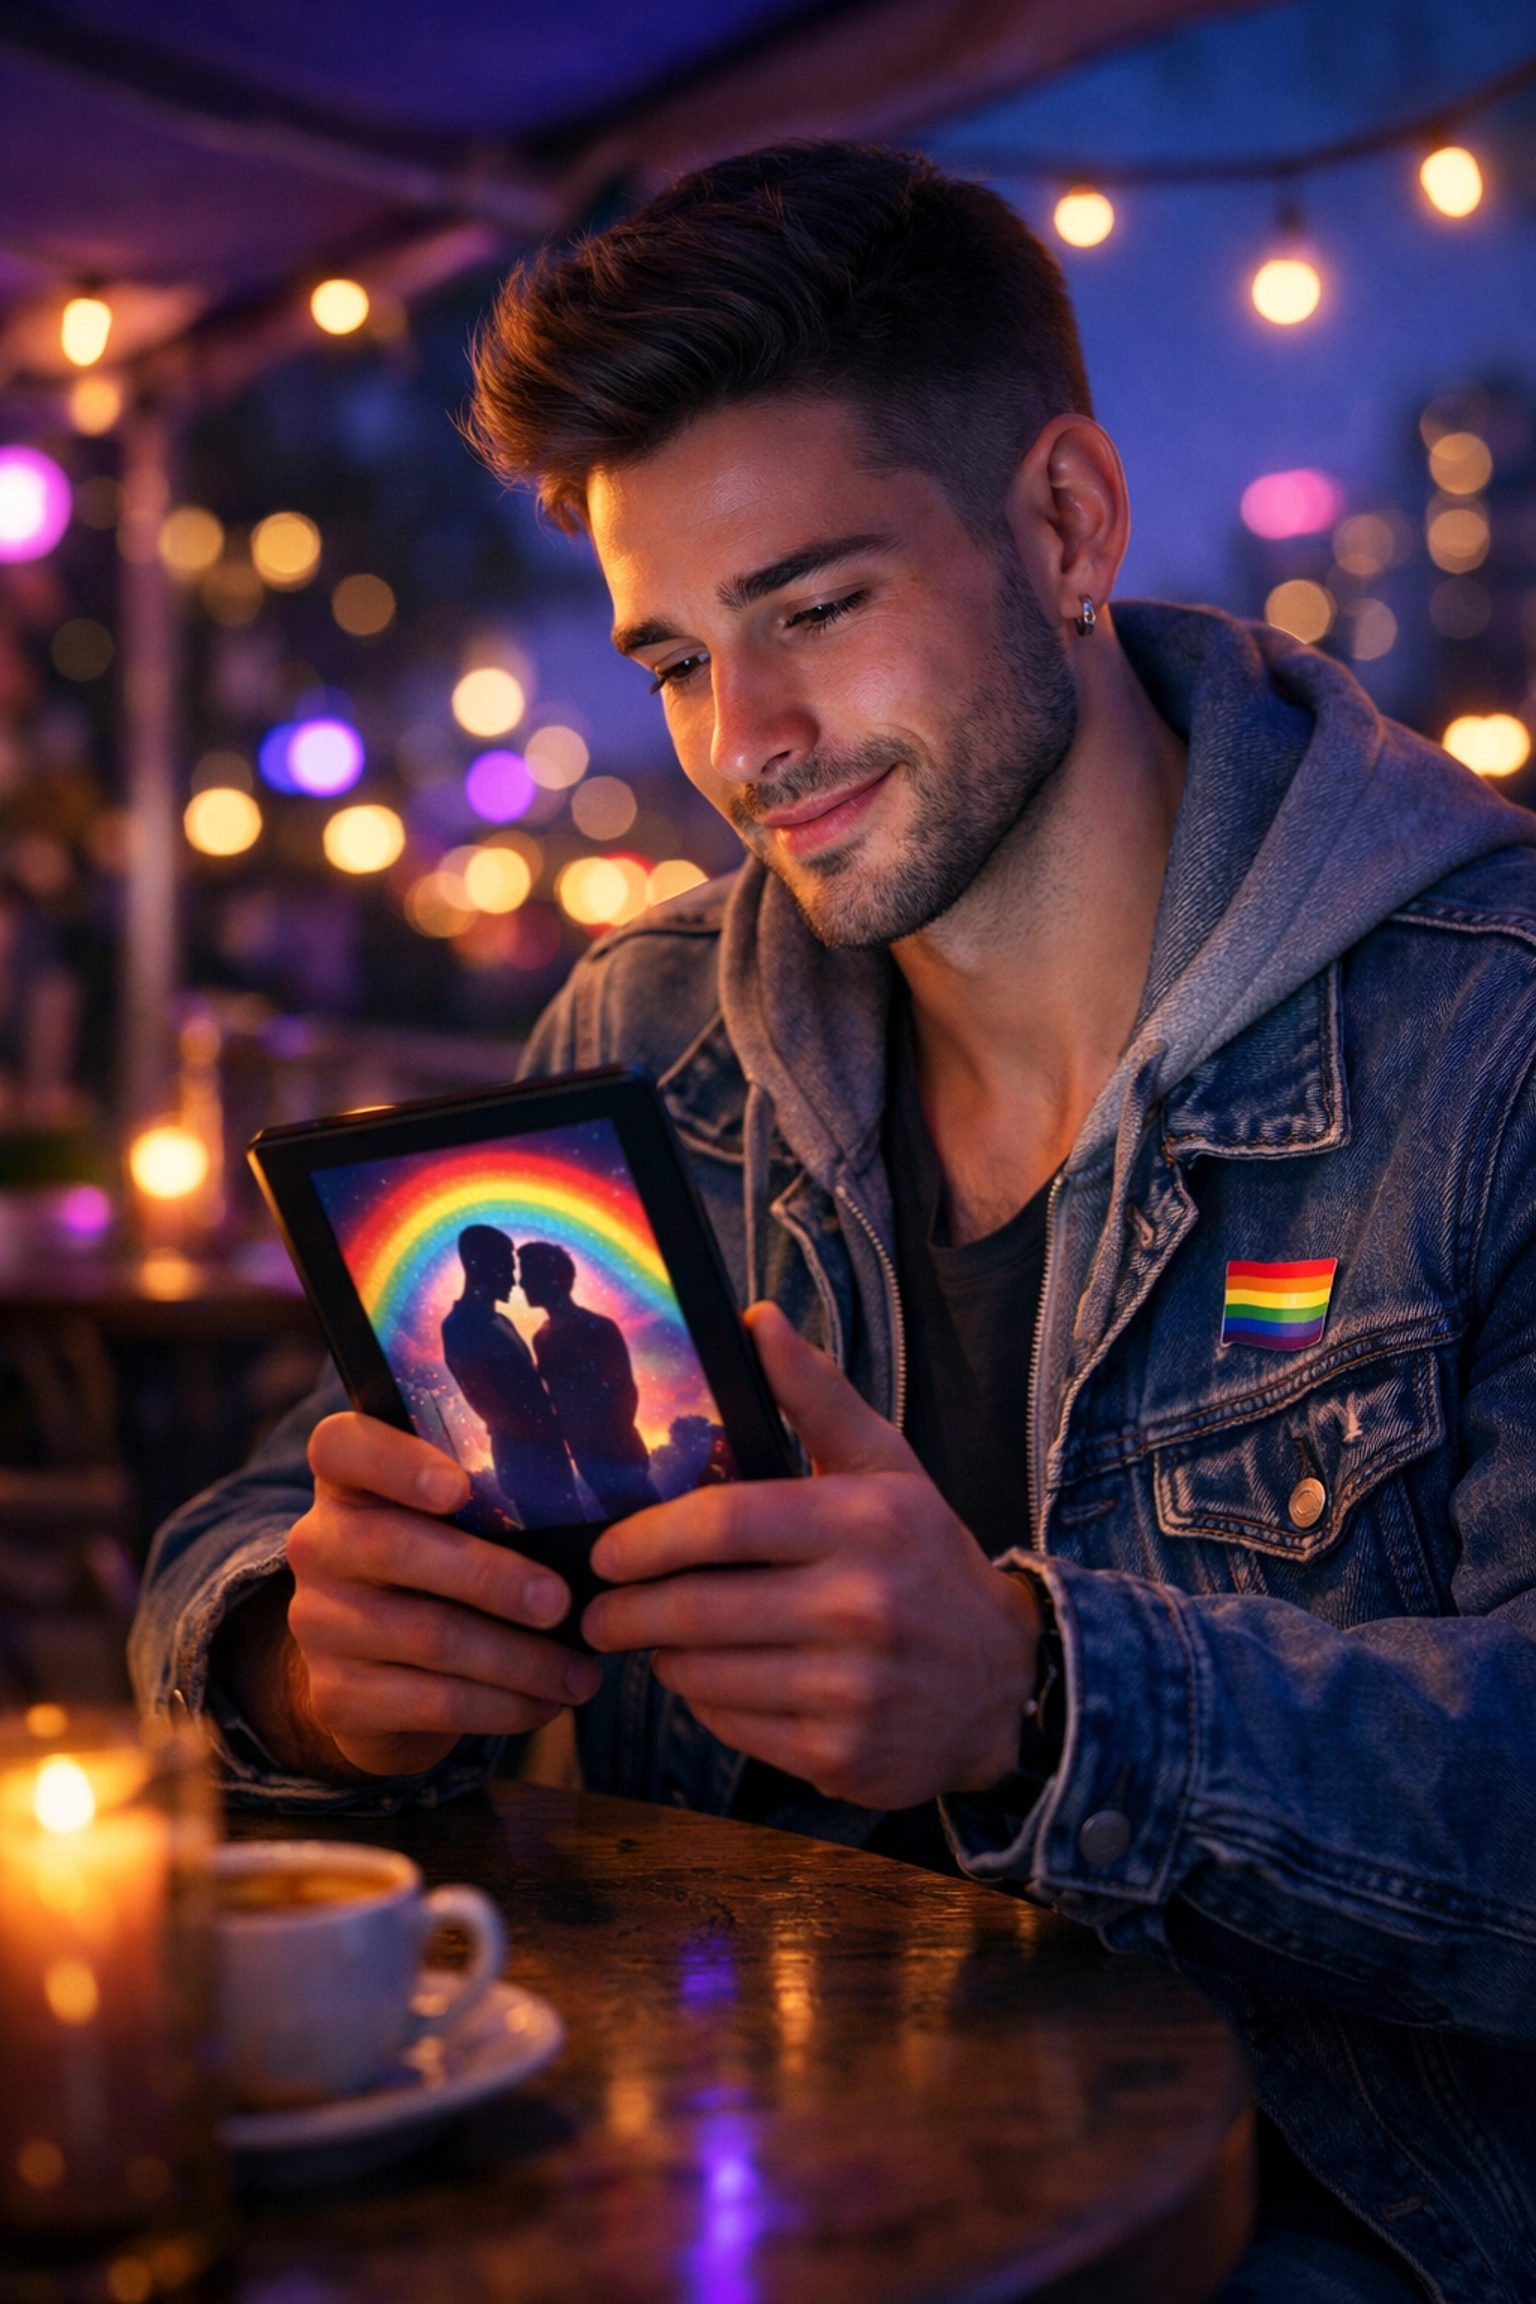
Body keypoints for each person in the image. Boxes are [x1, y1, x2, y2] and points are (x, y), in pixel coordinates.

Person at [131, 144, 1536, 2302]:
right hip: (713, 2191)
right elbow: (256, 1532)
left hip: (1320, 2239)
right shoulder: (652, 1025)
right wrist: (317, 1662)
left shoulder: (1492, 1029)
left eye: (814, 607)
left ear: (1064, 522)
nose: (749, 746)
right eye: (680, 658)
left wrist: (1035, 1705)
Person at [439, 1225, 582, 1529]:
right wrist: (549, 1429)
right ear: (478, 1264)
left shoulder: (500, 1320)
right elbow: (489, 1405)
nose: (513, 1281)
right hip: (526, 1464)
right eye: (505, 1267)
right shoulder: (461, 1325)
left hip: (547, 1455)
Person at [515, 1241, 661, 1520]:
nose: (521, 1282)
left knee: (653, 1523)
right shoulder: (542, 1339)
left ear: (554, 1279)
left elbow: (624, 1391)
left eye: (529, 1273)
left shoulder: (598, 1329)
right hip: (589, 1458)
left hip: (619, 1457)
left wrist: (610, 1447)